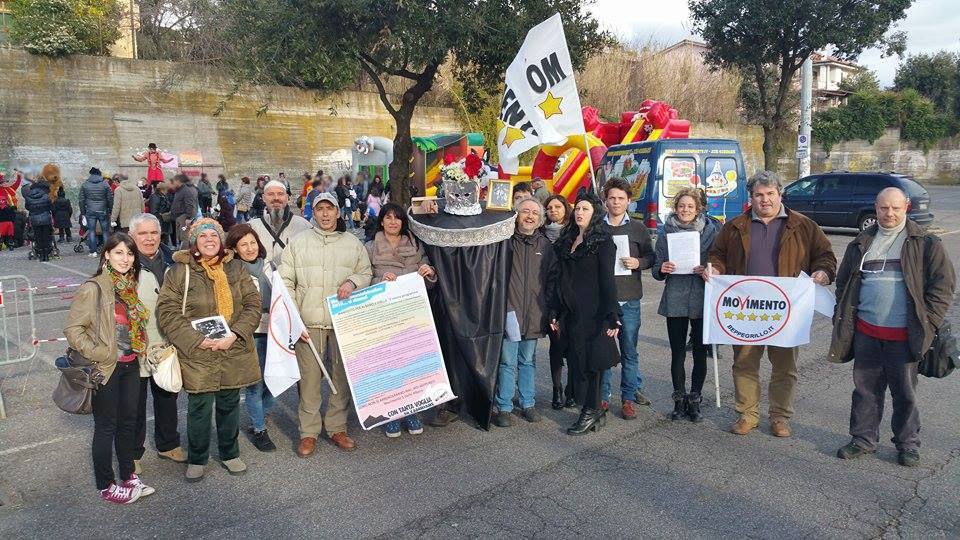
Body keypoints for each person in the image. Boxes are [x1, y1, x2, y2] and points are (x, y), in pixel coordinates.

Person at [830, 187, 956, 467]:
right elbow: (844, 284)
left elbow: (943, 286)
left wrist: (929, 321)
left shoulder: (924, 242)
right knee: (865, 391)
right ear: (875, 207)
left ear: (906, 207)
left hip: (904, 336)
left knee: (905, 394)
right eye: (884, 208)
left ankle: (908, 444)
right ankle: (862, 439)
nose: (889, 213)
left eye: (895, 208)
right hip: (867, 333)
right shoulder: (861, 241)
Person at [707, 170, 837, 438]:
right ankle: (747, 414)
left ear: (780, 194)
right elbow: (717, 255)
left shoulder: (804, 226)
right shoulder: (734, 227)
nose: (764, 200)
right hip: (745, 311)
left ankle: (779, 417)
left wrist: (823, 273)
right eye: (758, 195)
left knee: (785, 367)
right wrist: (715, 269)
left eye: (770, 194)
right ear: (751, 197)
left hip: (786, 312)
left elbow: (825, 256)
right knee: (744, 363)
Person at [156, 218, 262, 482]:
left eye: (214, 236)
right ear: (194, 243)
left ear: (221, 240)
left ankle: (230, 453)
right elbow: (167, 311)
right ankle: (198, 457)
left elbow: (252, 304)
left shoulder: (236, 268)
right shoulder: (180, 271)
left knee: (229, 404)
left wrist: (235, 334)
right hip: (198, 352)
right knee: (199, 406)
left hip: (232, 348)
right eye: (203, 237)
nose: (209, 241)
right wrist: (195, 340)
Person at [64, 233, 155, 504]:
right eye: (118, 253)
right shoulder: (94, 287)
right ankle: (106, 484)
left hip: (130, 365)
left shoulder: (129, 286)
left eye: (129, 253)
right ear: (106, 255)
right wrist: (101, 352)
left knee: (128, 423)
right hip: (106, 367)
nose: (125, 259)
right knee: (106, 427)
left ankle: (128, 475)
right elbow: (73, 329)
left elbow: (134, 326)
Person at [280, 193, 372, 456]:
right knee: (309, 381)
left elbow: (365, 272)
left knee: (340, 378)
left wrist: (352, 282)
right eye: (319, 209)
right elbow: (287, 280)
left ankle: (337, 427)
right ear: (313, 213)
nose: (325, 214)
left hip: (343, 321)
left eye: (329, 209)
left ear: (337, 212)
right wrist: (295, 317)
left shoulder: (352, 243)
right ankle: (308, 433)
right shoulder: (298, 243)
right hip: (309, 323)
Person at [550, 194, 621, 435]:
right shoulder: (567, 239)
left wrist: (613, 313)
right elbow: (559, 279)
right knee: (577, 360)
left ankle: (590, 410)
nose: (580, 212)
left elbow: (607, 280)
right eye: (578, 208)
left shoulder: (603, 242)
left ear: (595, 213)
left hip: (595, 311)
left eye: (586, 209)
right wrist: (555, 310)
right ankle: (593, 410)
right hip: (571, 311)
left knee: (593, 362)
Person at [364, 202, 437, 437]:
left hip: (413, 312)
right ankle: (392, 413)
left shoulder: (415, 244)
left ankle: (412, 410)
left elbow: (427, 270)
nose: (393, 222)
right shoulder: (369, 247)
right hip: (385, 314)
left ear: (403, 222)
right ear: (381, 221)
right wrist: (379, 280)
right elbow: (363, 278)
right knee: (389, 365)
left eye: (397, 218)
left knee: (412, 363)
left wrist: (429, 272)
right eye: (388, 218)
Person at [652, 187, 722, 422]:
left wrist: (709, 269)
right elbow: (656, 268)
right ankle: (679, 399)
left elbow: (719, 262)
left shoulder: (712, 232)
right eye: (681, 206)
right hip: (675, 297)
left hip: (702, 297)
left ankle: (695, 399)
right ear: (675, 208)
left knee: (700, 353)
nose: (685, 210)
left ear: (698, 209)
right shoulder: (665, 233)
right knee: (678, 353)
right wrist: (662, 269)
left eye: (690, 206)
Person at [127, 213, 187, 469]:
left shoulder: (173, 260)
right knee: (134, 404)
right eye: (143, 234)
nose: (149, 238)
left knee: (167, 396)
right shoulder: (123, 263)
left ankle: (168, 444)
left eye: (153, 233)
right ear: (132, 236)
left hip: (166, 342)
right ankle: (132, 453)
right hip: (136, 344)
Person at [493, 198, 555, 427]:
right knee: (507, 362)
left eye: (534, 214)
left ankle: (528, 403)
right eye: (525, 212)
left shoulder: (546, 246)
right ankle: (505, 406)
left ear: (540, 220)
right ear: (516, 215)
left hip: (535, 313)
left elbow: (552, 280)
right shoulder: (504, 242)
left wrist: (548, 309)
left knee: (528, 361)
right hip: (510, 311)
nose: (529, 216)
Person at [600, 177, 655, 419]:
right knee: (603, 352)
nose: (616, 202)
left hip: (629, 299)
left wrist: (638, 262)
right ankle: (602, 397)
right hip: (602, 300)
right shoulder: (597, 227)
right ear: (605, 201)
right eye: (612, 198)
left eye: (621, 198)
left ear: (629, 201)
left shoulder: (638, 229)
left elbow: (651, 257)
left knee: (629, 352)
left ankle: (628, 398)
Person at [225, 223, 278, 452]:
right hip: (250, 332)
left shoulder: (270, 265)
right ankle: (259, 429)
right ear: (235, 248)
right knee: (255, 384)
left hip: (275, 329)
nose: (249, 248)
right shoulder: (232, 271)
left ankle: (261, 413)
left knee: (276, 381)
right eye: (243, 244)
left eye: (252, 242)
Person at [541, 195, 575, 409]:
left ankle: (571, 390)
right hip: (549, 295)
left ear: (566, 209)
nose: (553, 210)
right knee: (556, 344)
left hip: (570, 295)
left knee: (573, 345)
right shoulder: (541, 234)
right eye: (550, 207)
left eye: (557, 206)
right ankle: (557, 388)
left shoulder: (574, 233)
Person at [249, 180, 313, 267]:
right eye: (270, 194)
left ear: (287, 197)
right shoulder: (252, 228)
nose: (276, 198)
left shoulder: (304, 226)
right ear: (263, 198)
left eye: (280, 194)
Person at [79, 167, 114, 257]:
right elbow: (110, 198)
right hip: (103, 210)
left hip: (90, 210)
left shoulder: (85, 184)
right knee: (105, 231)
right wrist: (110, 209)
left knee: (91, 231)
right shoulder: (105, 184)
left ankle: (93, 251)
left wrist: (83, 212)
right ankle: (107, 252)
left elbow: (81, 200)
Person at [25, 176, 55, 261]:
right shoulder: (46, 196)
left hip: (35, 219)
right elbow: (51, 207)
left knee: (38, 237)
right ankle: (46, 255)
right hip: (45, 219)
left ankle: (41, 255)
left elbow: (27, 207)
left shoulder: (29, 197)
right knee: (46, 236)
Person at [169, 174, 198, 246]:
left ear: (178, 181)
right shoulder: (180, 190)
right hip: (179, 217)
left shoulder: (186, 190)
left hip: (184, 217)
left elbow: (190, 204)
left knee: (185, 237)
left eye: (174, 181)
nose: (174, 183)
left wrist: (188, 217)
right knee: (180, 236)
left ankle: (185, 253)